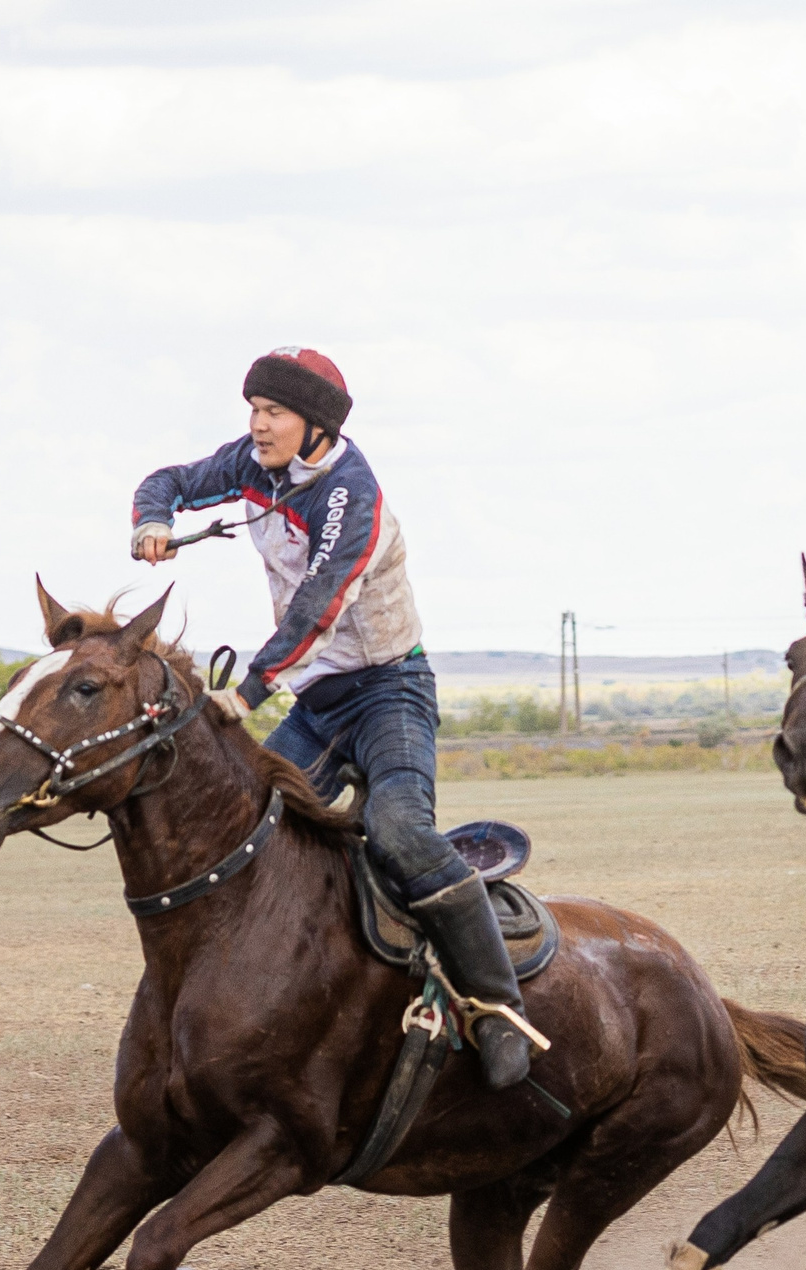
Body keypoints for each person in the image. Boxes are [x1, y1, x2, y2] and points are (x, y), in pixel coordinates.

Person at [129, 347, 536, 1089]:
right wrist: (152, 519)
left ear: (315, 424)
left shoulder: (353, 495)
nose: (258, 425)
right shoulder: (253, 464)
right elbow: (171, 482)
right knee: (251, 831)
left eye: (273, 413)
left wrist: (247, 695)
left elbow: (318, 607)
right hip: (317, 704)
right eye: (253, 410)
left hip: (388, 693)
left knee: (401, 831)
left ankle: (499, 1008)